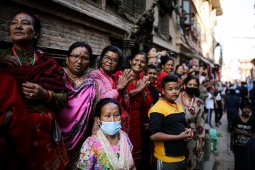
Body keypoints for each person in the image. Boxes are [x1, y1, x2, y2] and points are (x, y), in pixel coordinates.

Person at [0, 11, 68, 169]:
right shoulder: (2, 58)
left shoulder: (49, 64)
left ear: (36, 34)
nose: (18, 26)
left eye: (25, 23)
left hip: (43, 137)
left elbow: (63, 99)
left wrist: (44, 95)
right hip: (9, 134)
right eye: (14, 23)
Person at [56, 42, 98, 169]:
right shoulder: (56, 75)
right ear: (67, 58)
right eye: (75, 56)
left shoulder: (92, 84)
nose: (79, 61)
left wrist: (93, 143)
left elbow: (95, 115)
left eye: (85, 58)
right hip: (54, 137)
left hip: (80, 143)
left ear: (89, 62)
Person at [115, 51, 153, 167]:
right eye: (136, 60)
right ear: (131, 61)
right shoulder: (120, 75)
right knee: (121, 150)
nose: (139, 63)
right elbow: (118, 95)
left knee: (134, 153)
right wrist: (139, 89)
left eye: (142, 62)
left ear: (145, 65)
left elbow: (148, 101)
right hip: (122, 118)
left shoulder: (142, 78)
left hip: (136, 120)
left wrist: (142, 90)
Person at [149, 74, 193, 170]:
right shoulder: (158, 108)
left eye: (177, 88)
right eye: (170, 89)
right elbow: (153, 135)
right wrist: (179, 137)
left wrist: (188, 132)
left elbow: (183, 125)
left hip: (180, 157)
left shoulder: (178, 106)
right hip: (166, 159)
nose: (174, 91)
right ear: (163, 91)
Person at [78, 98, 136, 170]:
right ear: (98, 120)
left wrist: (133, 168)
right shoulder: (90, 144)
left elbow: (132, 163)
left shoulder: (124, 137)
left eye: (116, 115)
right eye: (107, 116)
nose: (112, 120)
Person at [88, 45, 133, 134]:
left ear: (118, 65)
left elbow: (126, 106)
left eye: (114, 60)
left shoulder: (116, 79)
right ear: (101, 59)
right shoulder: (94, 75)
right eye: (107, 58)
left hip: (118, 122)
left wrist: (124, 89)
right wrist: (119, 87)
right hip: (104, 123)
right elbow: (103, 99)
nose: (109, 62)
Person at [176, 76, 205, 170]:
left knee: (191, 162)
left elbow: (200, 124)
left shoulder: (199, 102)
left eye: (195, 85)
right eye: (190, 84)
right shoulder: (176, 99)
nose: (192, 87)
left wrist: (200, 143)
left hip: (192, 137)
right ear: (184, 85)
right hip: (175, 135)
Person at [140, 64, 159, 170]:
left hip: (148, 125)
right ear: (145, 74)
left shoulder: (155, 92)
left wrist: (150, 124)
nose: (152, 76)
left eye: (154, 73)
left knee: (147, 150)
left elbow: (155, 110)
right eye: (149, 73)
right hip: (136, 123)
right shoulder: (138, 86)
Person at [230, 100, 255, 170]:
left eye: (249, 108)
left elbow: (254, 135)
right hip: (238, 146)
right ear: (240, 108)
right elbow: (232, 132)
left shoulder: (253, 120)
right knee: (238, 165)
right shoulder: (235, 119)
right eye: (245, 108)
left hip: (249, 147)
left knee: (248, 165)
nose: (247, 110)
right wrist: (231, 143)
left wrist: (242, 133)